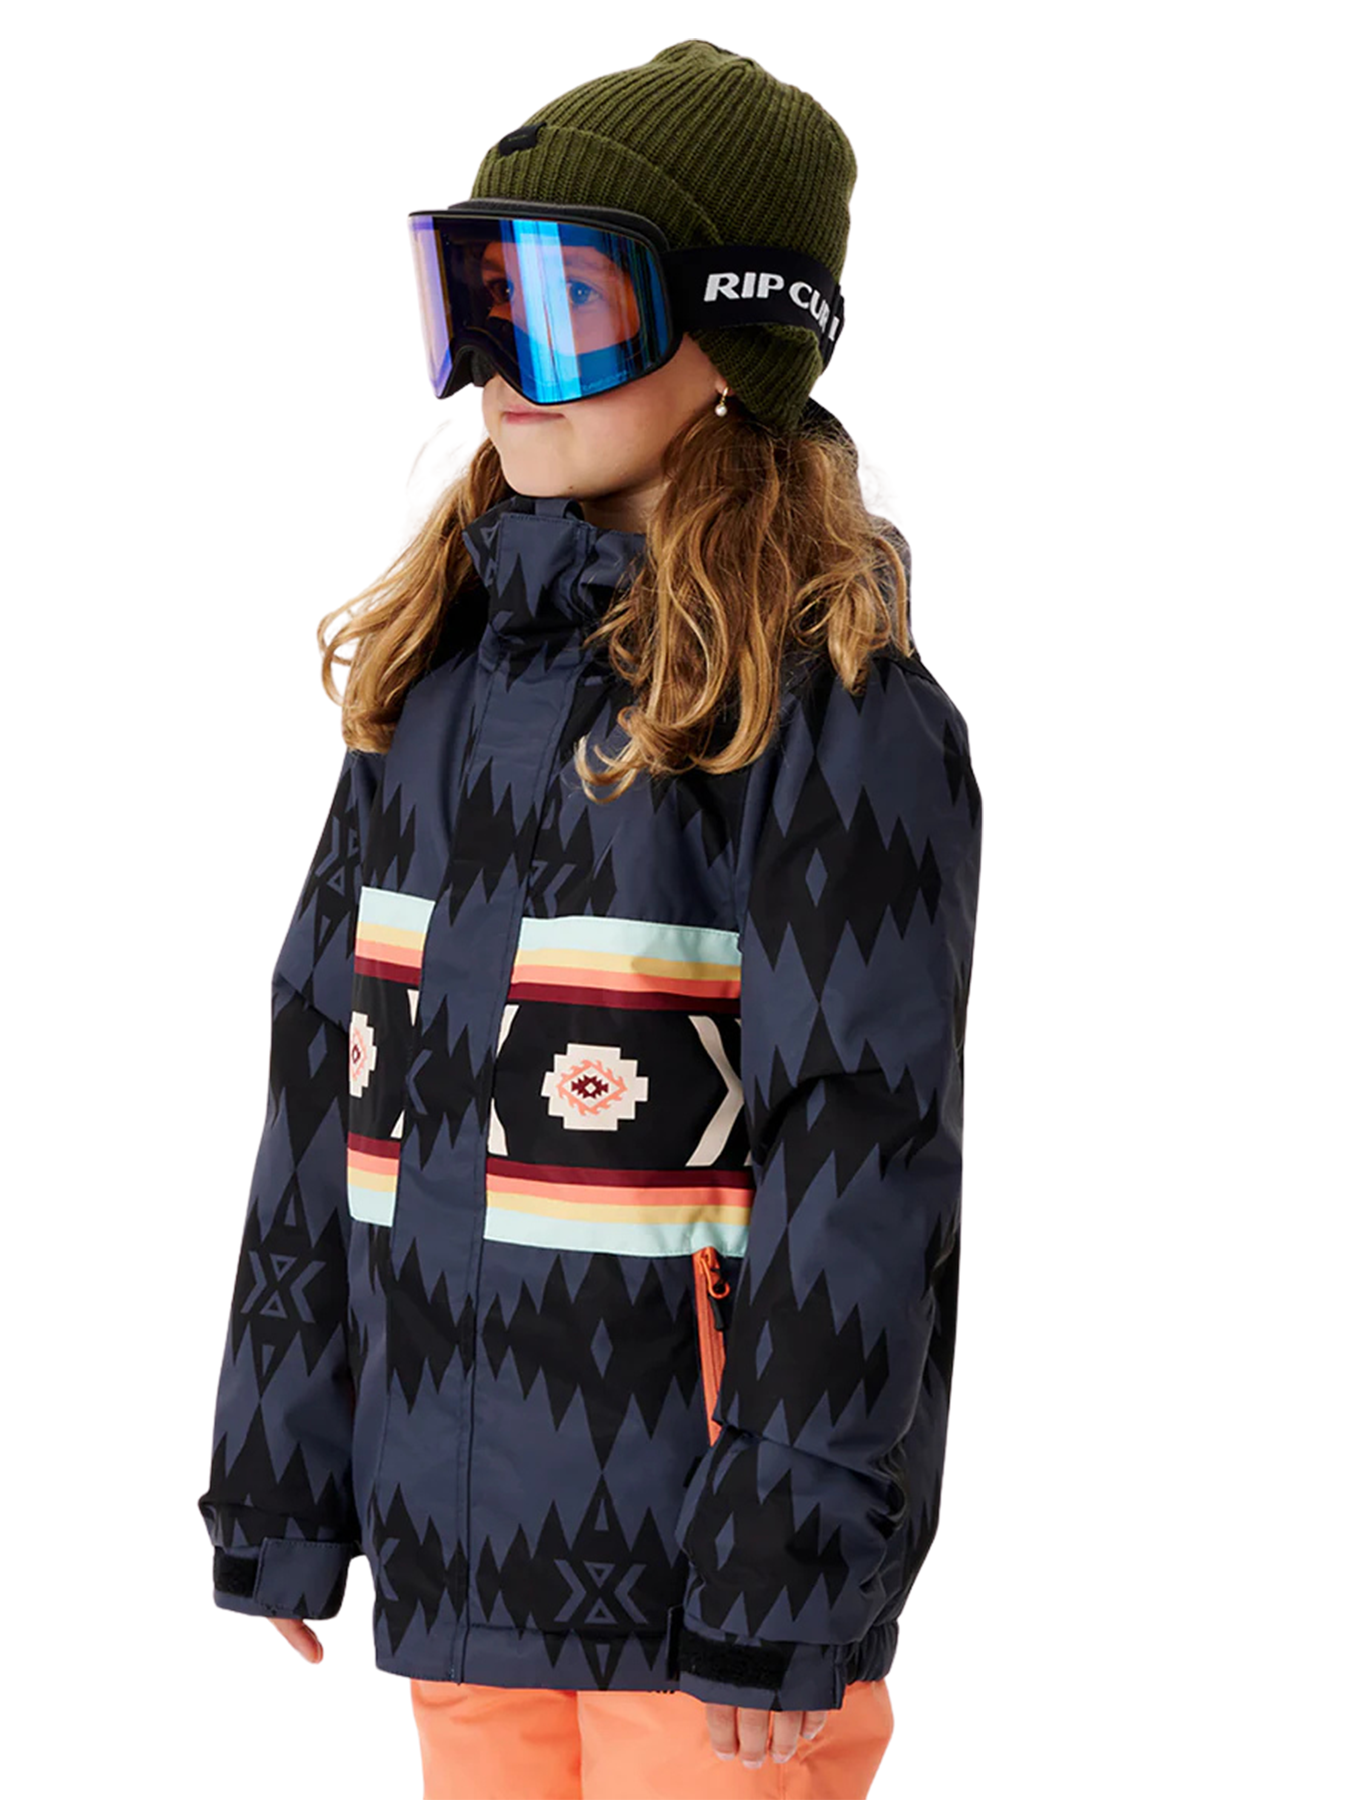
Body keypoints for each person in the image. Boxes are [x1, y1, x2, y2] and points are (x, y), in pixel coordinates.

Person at [198, 39, 982, 1799]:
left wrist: (789, 1559)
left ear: (735, 334)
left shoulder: (825, 715)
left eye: (556, 306)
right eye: (472, 305)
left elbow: (859, 1146)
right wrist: (285, 1479)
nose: (496, 372)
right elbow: (325, 1081)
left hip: (702, 1603)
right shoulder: (427, 688)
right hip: (452, 1556)